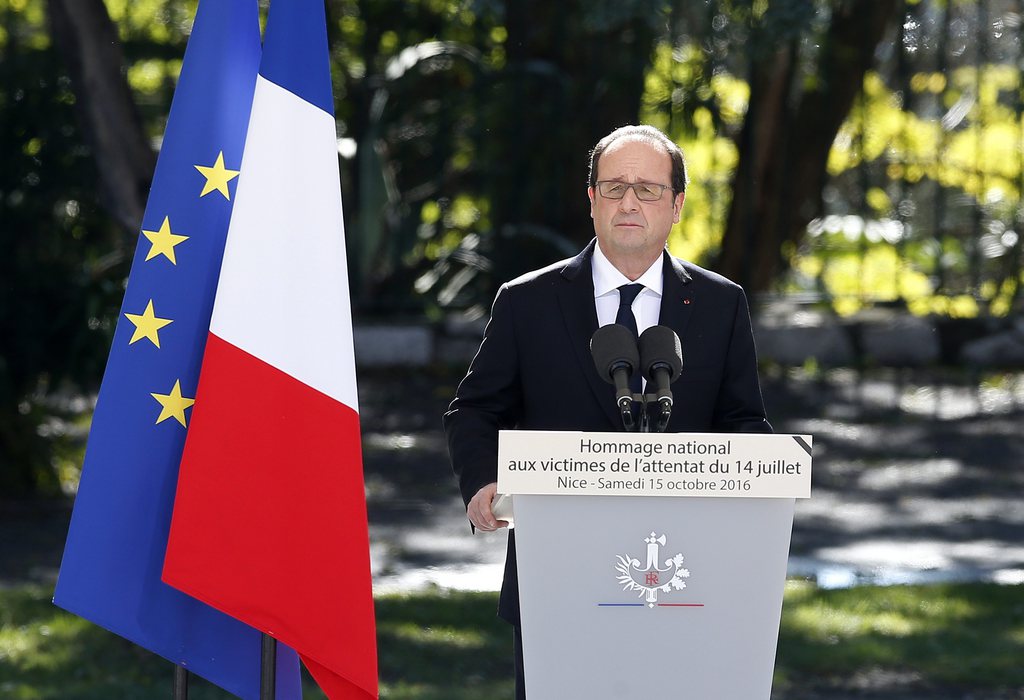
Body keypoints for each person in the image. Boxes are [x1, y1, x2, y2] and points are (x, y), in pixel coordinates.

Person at [442, 124, 771, 698]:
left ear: (677, 205)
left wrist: (758, 488)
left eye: (647, 189)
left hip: (686, 580)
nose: (628, 202)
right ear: (590, 198)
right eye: (614, 186)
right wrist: (482, 482)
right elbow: (474, 410)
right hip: (556, 581)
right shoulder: (528, 302)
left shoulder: (721, 304)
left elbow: (743, 421)